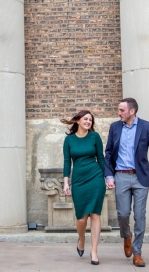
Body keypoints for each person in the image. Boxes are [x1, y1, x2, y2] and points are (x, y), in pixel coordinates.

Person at [104, 98, 149, 268]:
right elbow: (109, 152)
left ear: (131, 111)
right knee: (123, 214)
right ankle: (127, 235)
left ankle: (137, 252)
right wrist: (109, 175)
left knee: (140, 215)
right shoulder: (115, 127)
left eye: (121, 110)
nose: (119, 113)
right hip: (120, 175)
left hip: (140, 177)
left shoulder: (146, 127)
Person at [62, 110, 107, 266]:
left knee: (95, 214)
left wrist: (107, 177)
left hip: (95, 178)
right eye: (86, 119)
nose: (88, 122)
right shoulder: (69, 140)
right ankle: (81, 239)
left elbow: (101, 158)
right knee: (81, 218)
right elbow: (67, 162)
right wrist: (66, 182)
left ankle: (94, 251)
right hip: (79, 181)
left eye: (90, 120)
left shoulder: (95, 137)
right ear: (78, 121)